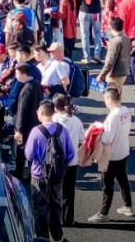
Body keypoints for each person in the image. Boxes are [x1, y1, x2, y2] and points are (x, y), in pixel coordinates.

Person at [25, 100, 73, 242]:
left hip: (39, 176)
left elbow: (29, 155)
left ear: (41, 112)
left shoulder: (36, 131)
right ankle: (57, 236)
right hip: (57, 175)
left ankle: (43, 237)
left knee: (40, 208)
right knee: (56, 205)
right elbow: (70, 153)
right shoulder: (62, 130)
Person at [88, 87, 134, 223]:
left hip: (111, 155)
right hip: (123, 150)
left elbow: (107, 139)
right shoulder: (125, 110)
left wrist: (98, 134)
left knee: (107, 185)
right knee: (122, 179)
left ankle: (104, 213)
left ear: (109, 99)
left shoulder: (112, 117)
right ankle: (128, 206)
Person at [51, 94, 82, 227]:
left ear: (55, 107)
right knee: (69, 191)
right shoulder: (76, 120)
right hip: (72, 161)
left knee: (55, 190)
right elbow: (82, 139)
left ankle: (56, 218)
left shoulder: (54, 119)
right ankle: (69, 219)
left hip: (56, 161)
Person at [13, 64, 43, 180]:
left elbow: (22, 110)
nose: (16, 76)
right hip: (35, 123)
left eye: (17, 74)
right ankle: (32, 175)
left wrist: (19, 130)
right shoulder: (36, 84)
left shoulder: (26, 88)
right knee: (33, 150)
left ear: (24, 74)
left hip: (26, 126)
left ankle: (18, 175)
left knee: (22, 151)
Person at [73, 0, 105, 64]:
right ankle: (97, 54)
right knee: (97, 33)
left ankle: (87, 57)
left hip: (84, 10)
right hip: (96, 11)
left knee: (84, 34)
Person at [97, 17, 131, 99]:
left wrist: (101, 75)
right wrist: (110, 48)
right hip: (123, 72)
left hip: (115, 75)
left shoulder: (116, 41)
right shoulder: (126, 38)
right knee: (118, 96)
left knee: (112, 99)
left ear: (111, 27)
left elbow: (110, 61)